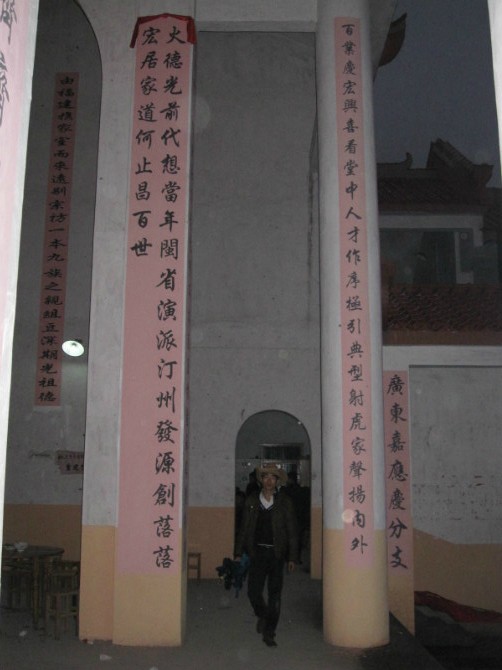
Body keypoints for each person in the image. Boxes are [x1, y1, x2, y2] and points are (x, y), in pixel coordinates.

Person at [234, 463, 299, 647]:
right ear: (261, 480)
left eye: (273, 477)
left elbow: (292, 530)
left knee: (275, 594)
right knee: (253, 592)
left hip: (277, 554)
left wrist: (292, 557)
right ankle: (263, 615)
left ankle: (270, 632)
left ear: (277, 481)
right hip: (257, 553)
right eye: (265, 477)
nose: (269, 481)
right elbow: (244, 528)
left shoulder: (284, 502)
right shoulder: (252, 501)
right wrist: (238, 552)